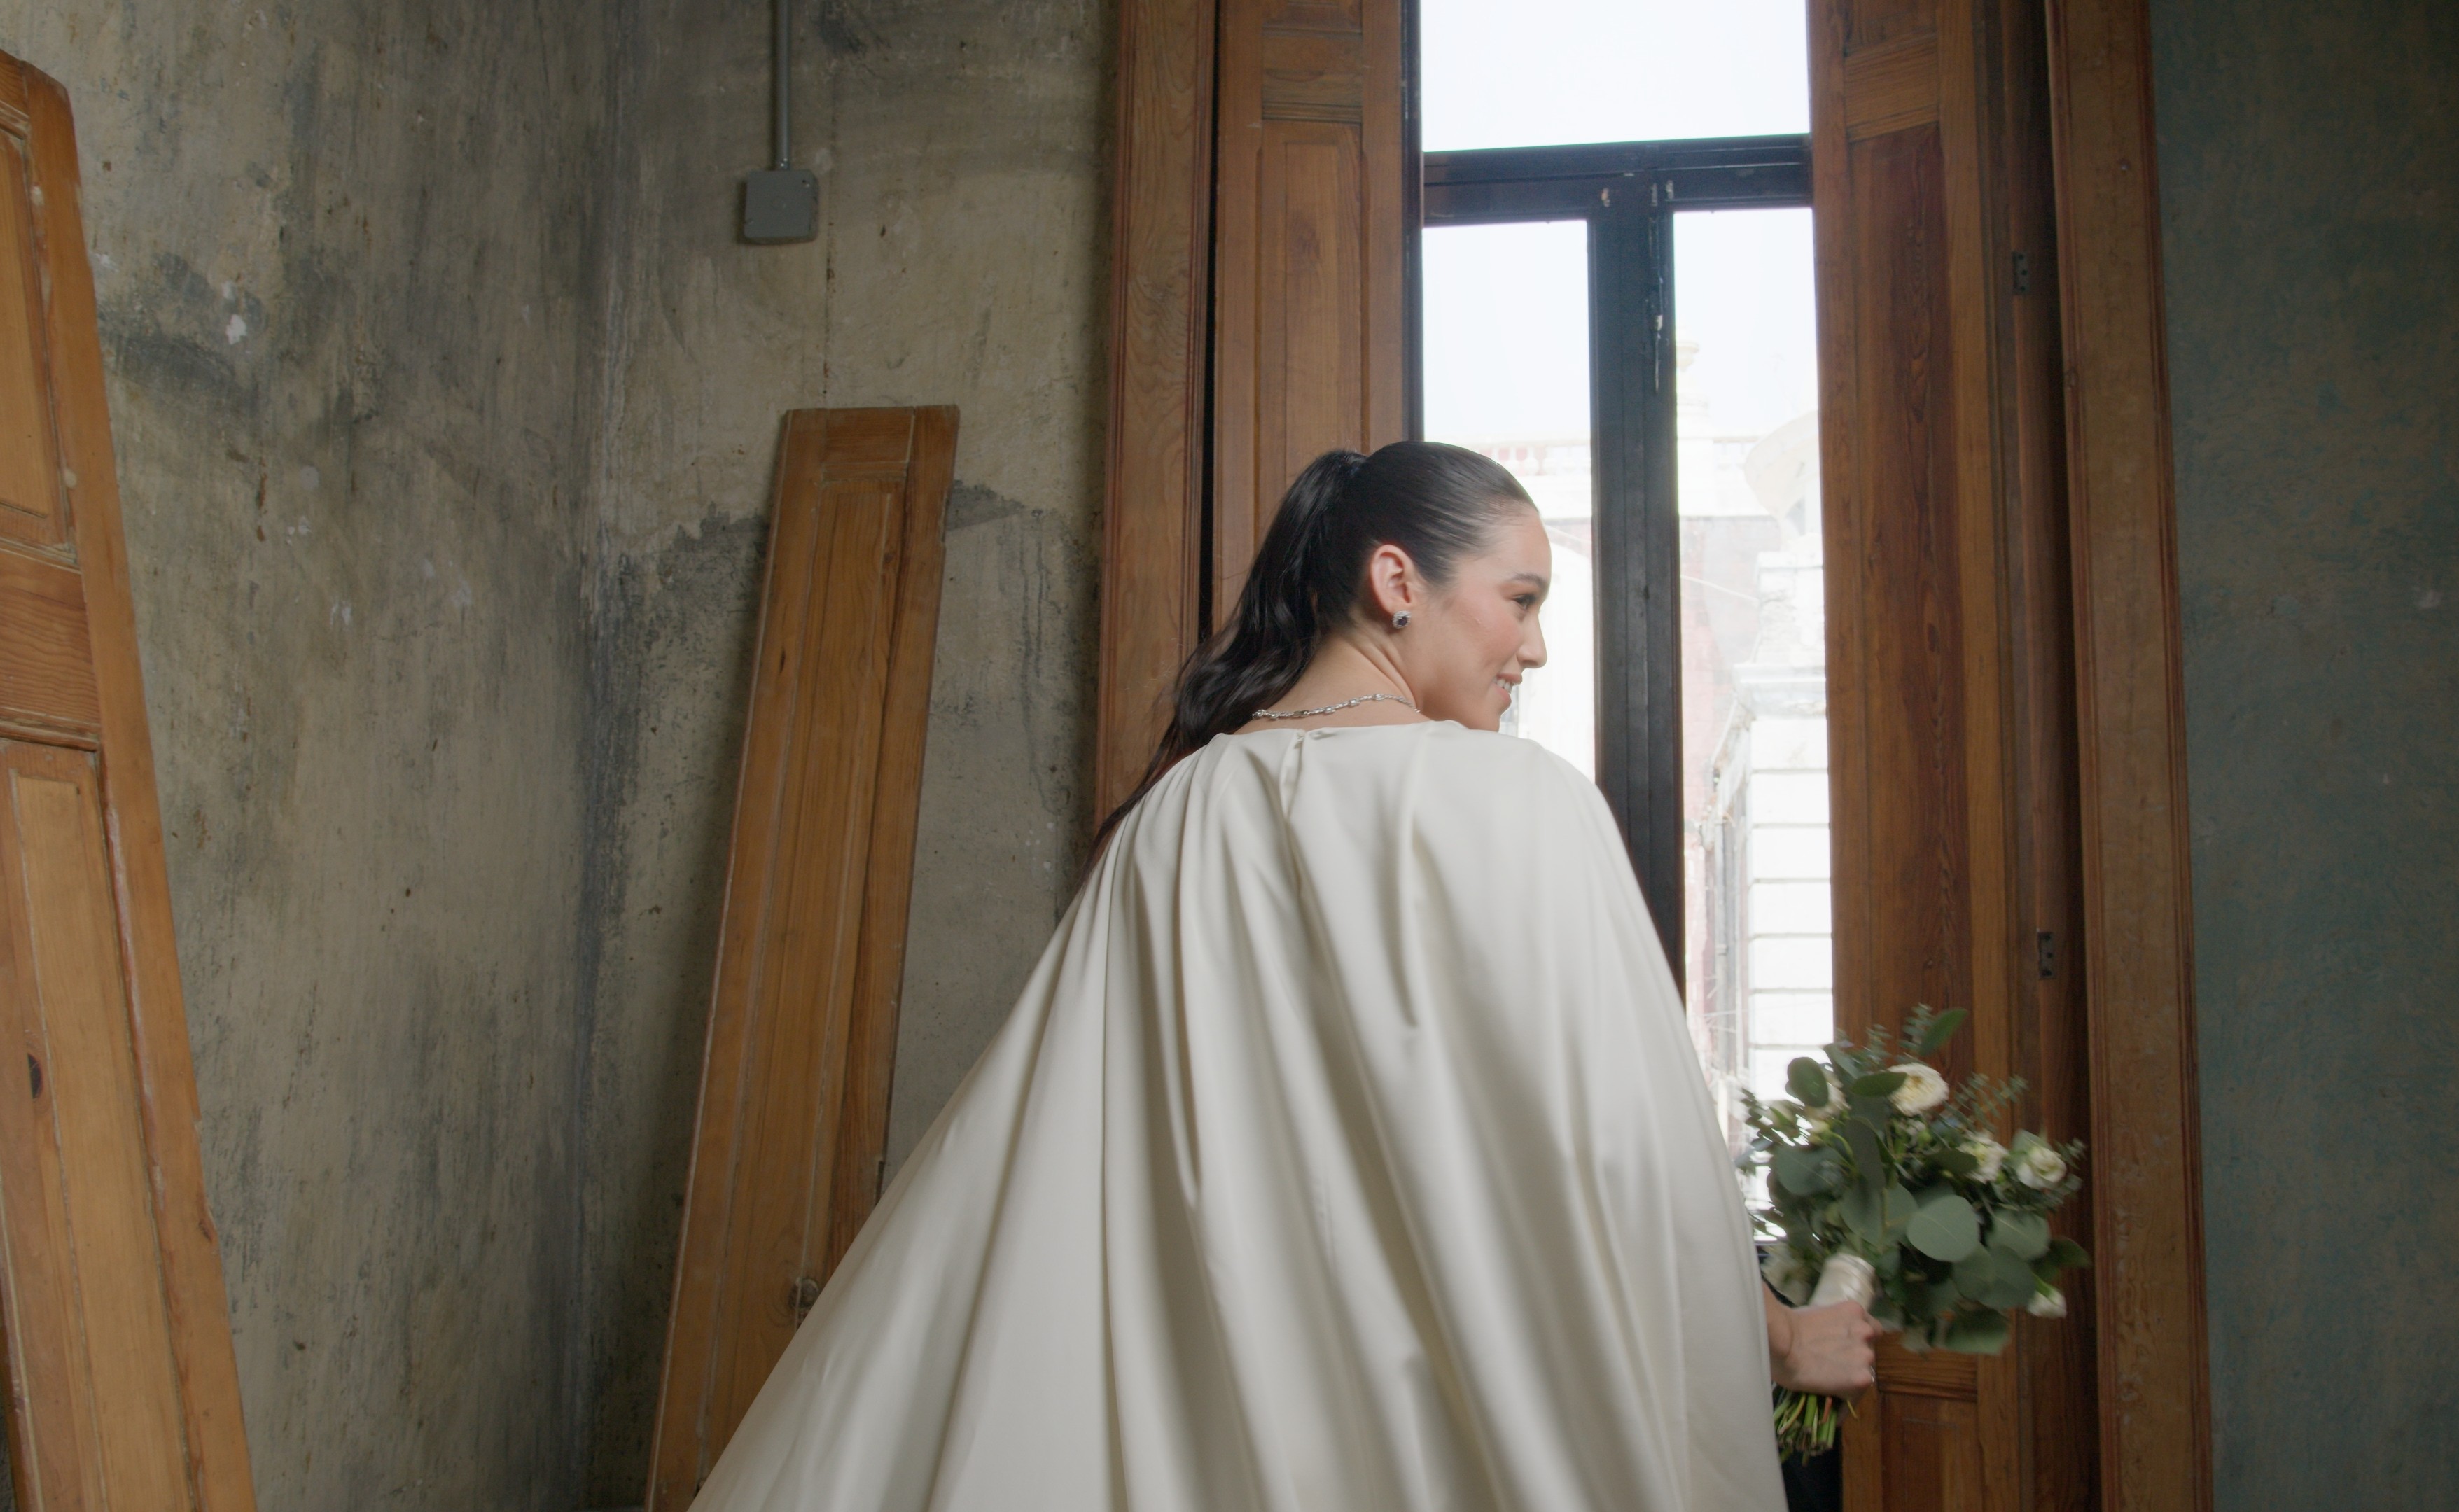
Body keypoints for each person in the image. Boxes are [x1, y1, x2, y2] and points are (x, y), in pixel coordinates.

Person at [685, 442, 1876, 1512]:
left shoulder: (1182, 813)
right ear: (1399, 583)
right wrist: (1773, 1336)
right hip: (1455, 1425)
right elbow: (1619, 1150)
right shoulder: (1528, 807)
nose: (1537, 646)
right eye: (1520, 600)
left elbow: (1051, 1151)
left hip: (1219, 1423)